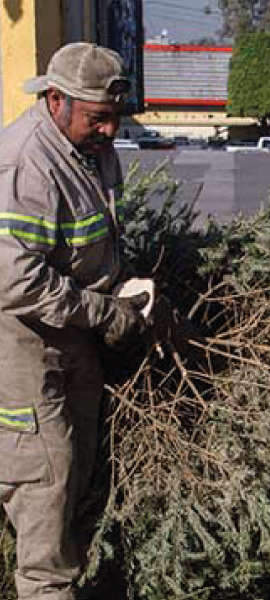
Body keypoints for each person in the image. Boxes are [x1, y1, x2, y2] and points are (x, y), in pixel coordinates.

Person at [0, 42, 151, 600]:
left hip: (74, 335)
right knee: (45, 479)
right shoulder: (24, 163)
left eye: (115, 118)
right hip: (21, 344)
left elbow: (92, 239)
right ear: (56, 100)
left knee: (80, 470)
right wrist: (104, 312)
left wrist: (126, 284)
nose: (110, 131)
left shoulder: (87, 148)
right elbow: (16, 282)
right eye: (98, 118)